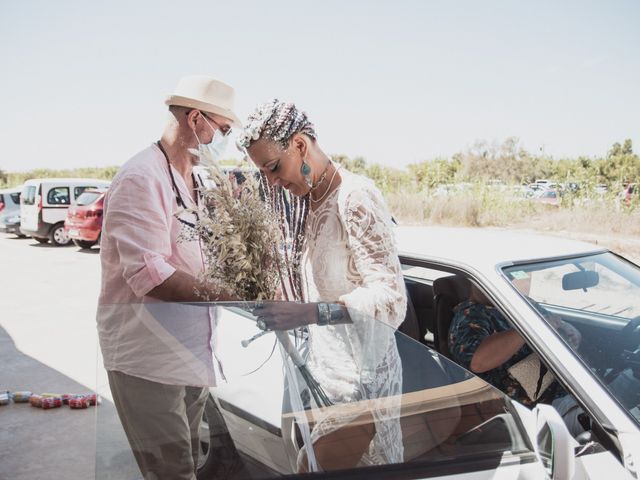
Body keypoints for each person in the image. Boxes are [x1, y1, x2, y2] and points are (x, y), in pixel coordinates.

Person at [236, 100, 407, 471]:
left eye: (273, 167)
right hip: (325, 378)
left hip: (364, 382)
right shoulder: (310, 203)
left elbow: (391, 298)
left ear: (300, 145)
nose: (272, 182)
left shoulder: (355, 196)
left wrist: (311, 313)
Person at [97, 75, 241, 480]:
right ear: (196, 118)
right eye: (223, 129)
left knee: (189, 460)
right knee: (171, 471)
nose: (224, 140)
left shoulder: (191, 177)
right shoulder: (142, 177)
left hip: (189, 352)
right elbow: (150, 274)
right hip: (149, 357)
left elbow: (195, 254)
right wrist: (225, 294)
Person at [448, 283, 581, 407]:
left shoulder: (522, 302)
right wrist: (533, 326)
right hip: (528, 407)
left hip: (564, 387)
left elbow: (553, 322)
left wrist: (567, 330)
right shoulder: (470, 316)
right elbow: (478, 362)